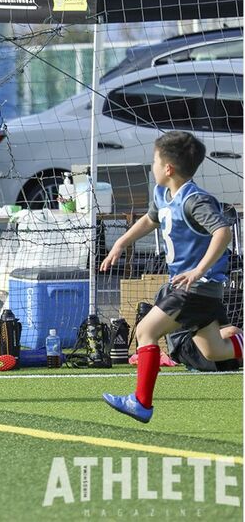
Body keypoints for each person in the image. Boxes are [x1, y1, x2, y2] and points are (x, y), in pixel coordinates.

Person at [100, 131, 242, 423]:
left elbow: (223, 232)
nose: (151, 165)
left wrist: (199, 270)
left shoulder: (195, 200)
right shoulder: (163, 195)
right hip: (196, 289)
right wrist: (120, 243)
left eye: (154, 160)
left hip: (197, 287)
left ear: (168, 168)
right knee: (215, 351)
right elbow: (150, 220)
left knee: (145, 332)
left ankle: (141, 403)